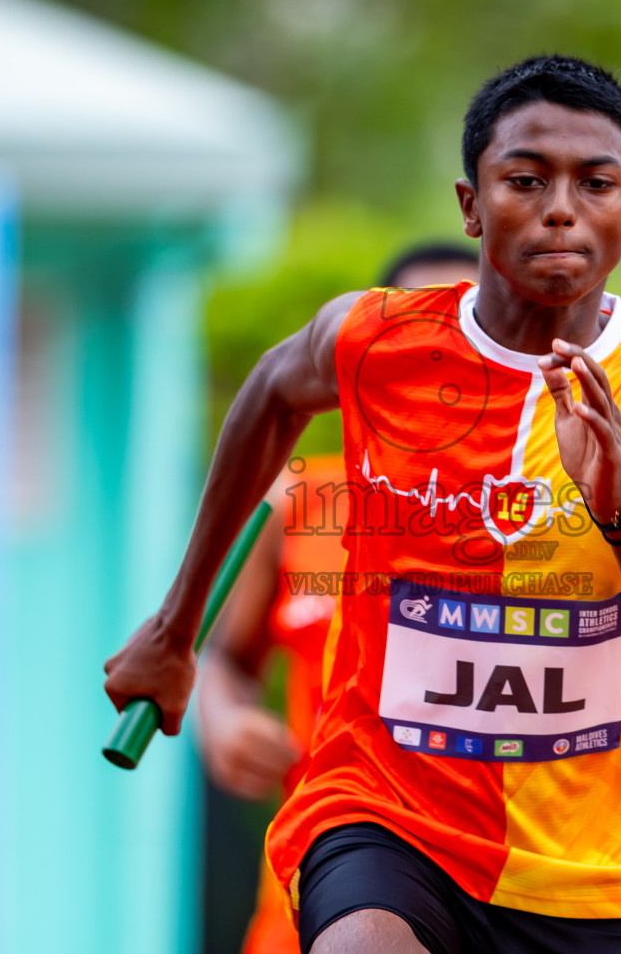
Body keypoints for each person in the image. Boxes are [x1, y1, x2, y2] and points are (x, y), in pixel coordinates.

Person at [104, 54, 621, 954]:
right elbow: (269, 394)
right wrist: (178, 636)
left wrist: (620, 520)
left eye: (595, 183)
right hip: (379, 815)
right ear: (470, 203)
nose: (561, 207)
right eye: (525, 180)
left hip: (569, 878)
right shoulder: (372, 348)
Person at [195, 243, 480, 954]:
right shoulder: (299, 506)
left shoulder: (552, 527)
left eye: (475, 334)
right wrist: (226, 724)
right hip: (312, 907)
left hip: (501, 902)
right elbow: (225, 663)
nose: (446, 361)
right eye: (418, 336)